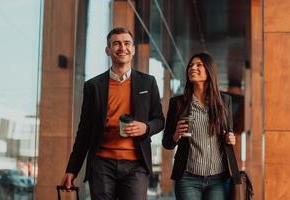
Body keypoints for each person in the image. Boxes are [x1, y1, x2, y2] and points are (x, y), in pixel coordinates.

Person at [61, 27, 164, 200]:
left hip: (136, 165)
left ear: (133, 49)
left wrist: (145, 127)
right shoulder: (93, 86)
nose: (122, 47)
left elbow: (160, 120)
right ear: (108, 50)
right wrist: (72, 169)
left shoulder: (148, 82)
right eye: (116, 43)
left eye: (127, 43)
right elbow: (84, 131)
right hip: (102, 164)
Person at [162, 52, 241, 200]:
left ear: (209, 70)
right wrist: (176, 135)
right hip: (187, 178)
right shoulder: (178, 103)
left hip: (218, 179)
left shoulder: (224, 101)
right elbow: (167, 143)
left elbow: (228, 135)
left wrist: (230, 138)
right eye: (191, 65)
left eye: (199, 65)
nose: (193, 68)